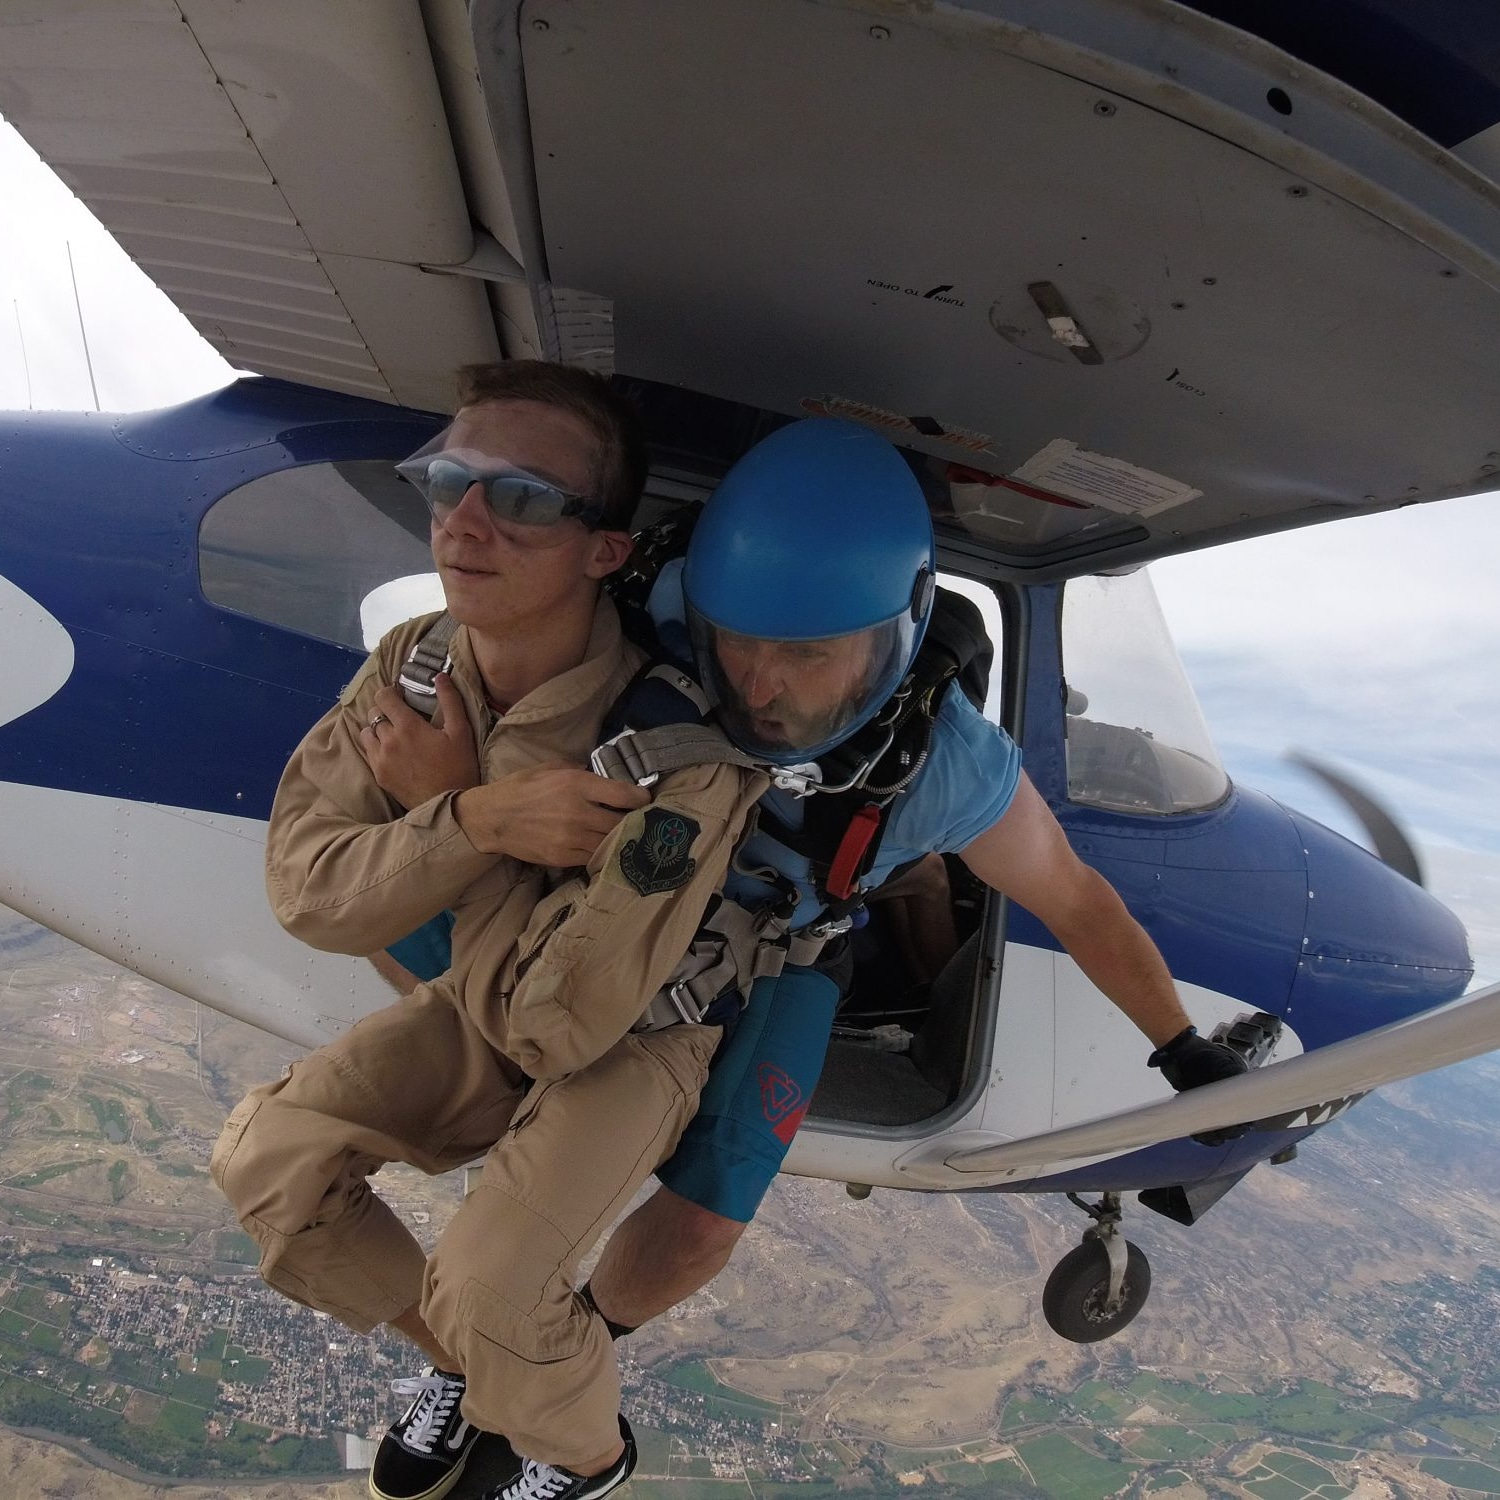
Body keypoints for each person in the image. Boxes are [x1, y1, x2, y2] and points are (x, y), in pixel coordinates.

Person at [366, 415, 1248, 1483]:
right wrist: (452, 808)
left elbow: (1074, 897)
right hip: (615, 894)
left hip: (785, 947)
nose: (762, 687)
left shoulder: (948, 766)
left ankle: (541, 1363)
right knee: (393, 917)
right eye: (737, 642)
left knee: (701, 1229)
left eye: (806, 655)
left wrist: (1182, 1050)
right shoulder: (642, 616)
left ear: (895, 636)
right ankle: (478, 1352)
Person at [211, 361, 768, 1500]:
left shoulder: (675, 757)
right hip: (491, 994)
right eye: (447, 481)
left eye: (521, 499)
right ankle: (472, 1376)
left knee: (494, 1281)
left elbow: (555, 1025)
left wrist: (450, 823)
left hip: (634, 1034)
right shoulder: (415, 667)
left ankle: (585, 1454)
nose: (464, 522)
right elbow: (310, 890)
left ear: (604, 550)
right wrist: (479, 816)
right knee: (271, 1157)